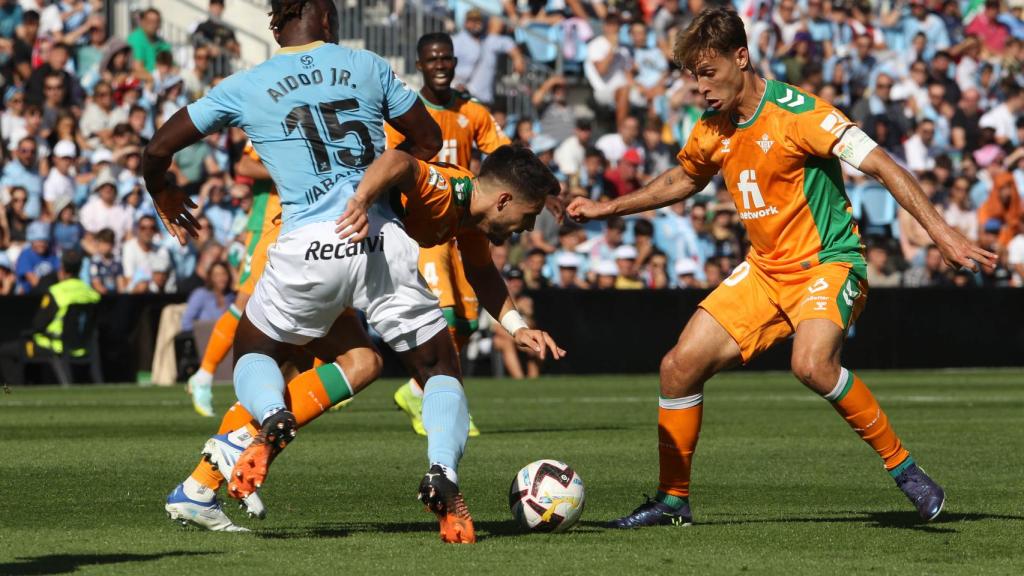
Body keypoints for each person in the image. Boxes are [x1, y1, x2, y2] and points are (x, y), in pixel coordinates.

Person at [568, 7, 994, 528]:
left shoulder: (800, 113)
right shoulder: (712, 128)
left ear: (741, 57)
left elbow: (882, 163)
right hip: (766, 271)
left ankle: (906, 471)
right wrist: (607, 207)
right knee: (677, 368)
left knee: (811, 365)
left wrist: (942, 232)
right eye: (693, 77)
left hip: (826, 265)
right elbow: (683, 179)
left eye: (708, 73)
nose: (699, 88)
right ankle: (672, 500)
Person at [144, 0, 482, 541]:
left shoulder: (246, 83)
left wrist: (161, 190)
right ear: (327, 18)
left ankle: (260, 428)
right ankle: (442, 469)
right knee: (427, 364)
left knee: (260, 355)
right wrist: (381, 179)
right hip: (379, 239)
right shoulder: (368, 65)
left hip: (307, 249)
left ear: (275, 25)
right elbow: (427, 141)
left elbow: (157, 147)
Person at [384, 32, 511, 438]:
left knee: (469, 321)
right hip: (426, 224)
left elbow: (502, 153)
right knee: (447, 314)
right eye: (432, 59)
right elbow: (391, 162)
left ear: (455, 63)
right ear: (419, 64)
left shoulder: (471, 111)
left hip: (465, 223)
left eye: (447, 58)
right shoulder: (408, 112)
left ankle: (417, 390)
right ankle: (442, 405)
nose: (441, 65)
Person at [0, 250, 99, 386]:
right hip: (84, 346)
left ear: (62, 268)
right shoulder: (92, 293)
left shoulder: (56, 292)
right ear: (81, 268)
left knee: (5, 351)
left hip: (54, 346)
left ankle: (11, 392)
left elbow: (38, 324)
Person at [451, 8, 525, 106]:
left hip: (484, 99)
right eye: (472, 21)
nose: (476, 24)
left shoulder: (489, 40)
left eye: (478, 21)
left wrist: (517, 58)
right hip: (462, 96)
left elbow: (508, 43)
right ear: (466, 23)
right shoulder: (456, 41)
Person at [15, 221, 59, 294]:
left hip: (51, 294)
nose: (41, 244)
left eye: (44, 241)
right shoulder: (26, 255)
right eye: (38, 241)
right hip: (31, 297)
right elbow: (34, 281)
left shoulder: (51, 254)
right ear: (31, 241)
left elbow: (60, 274)